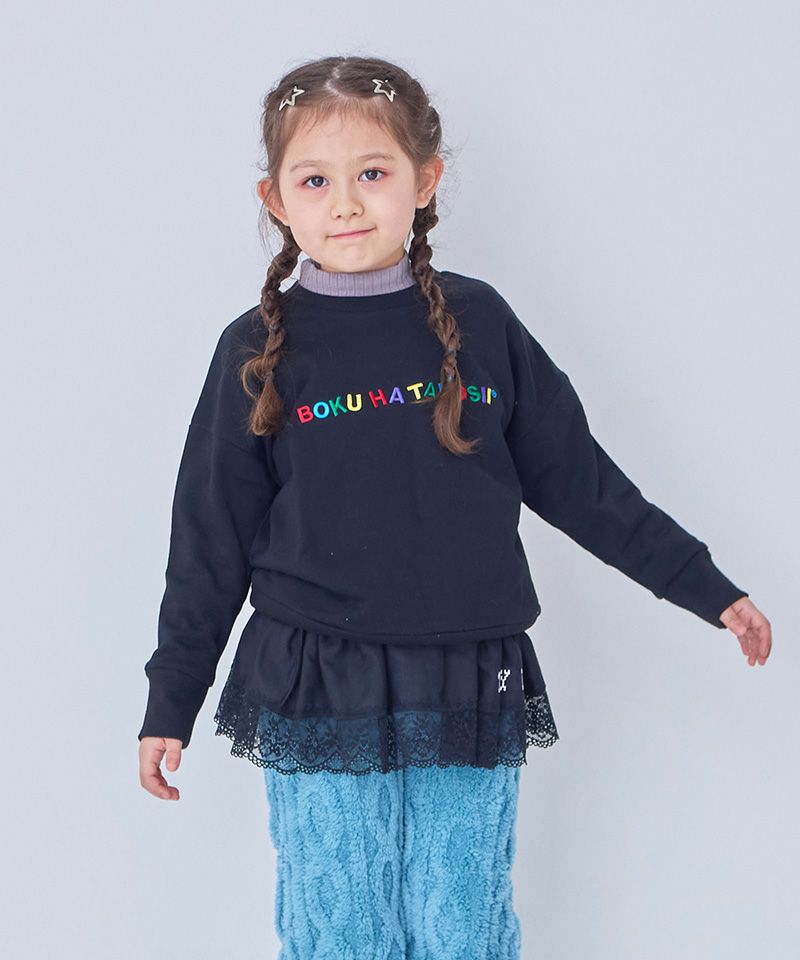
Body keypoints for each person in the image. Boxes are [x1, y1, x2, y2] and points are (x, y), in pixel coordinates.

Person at [137, 54, 772, 960]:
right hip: (318, 670)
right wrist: (171, 699)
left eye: (373, 173)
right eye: (315, 181)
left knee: (459, 924)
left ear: (425, 180)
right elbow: (209, 540)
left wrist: (705, 586)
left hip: (469, 671)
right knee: (341, 928)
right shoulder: (255, 350)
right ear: (274, 198)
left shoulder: (481, 326)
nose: (346, 203)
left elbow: (582, 483)